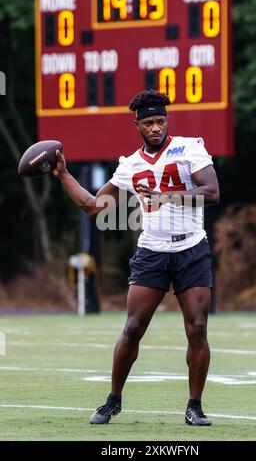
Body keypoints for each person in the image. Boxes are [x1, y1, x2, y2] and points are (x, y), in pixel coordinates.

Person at [52, 89, 220, 426]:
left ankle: (194, 406)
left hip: (191, 248)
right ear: (137, 125)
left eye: (161, 121)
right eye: (149, 123)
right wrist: (64, 175)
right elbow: (94, 207)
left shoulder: (190, 148)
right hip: (152, 251)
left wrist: (166, 196)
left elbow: (212, 192)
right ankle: (113, 400)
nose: (156, 127)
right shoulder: (130, 165)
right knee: (132, 329)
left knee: (198, 329)